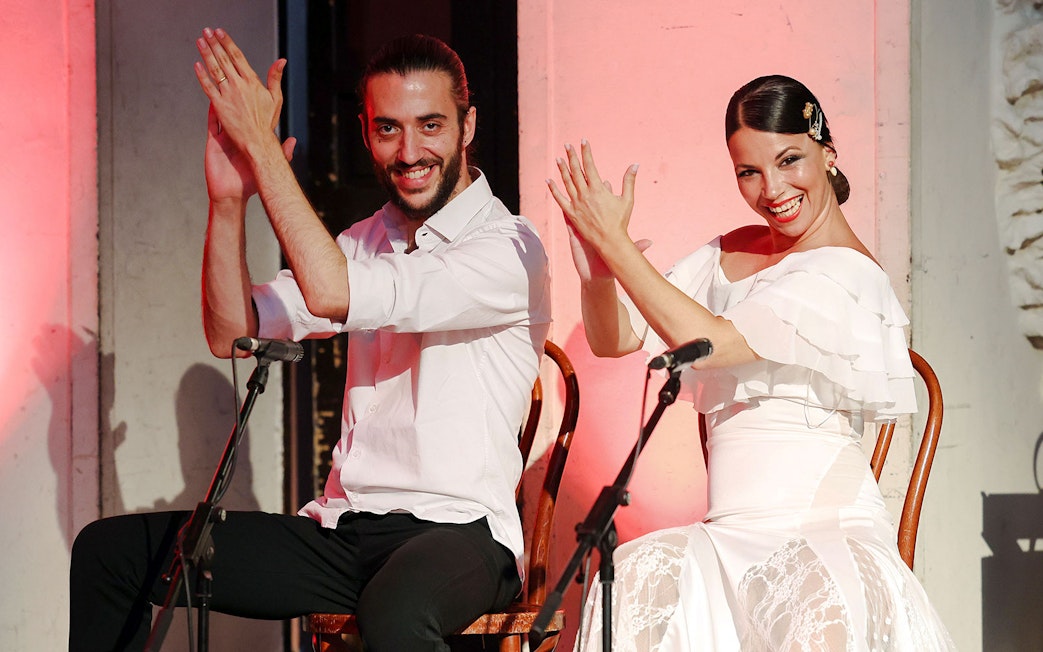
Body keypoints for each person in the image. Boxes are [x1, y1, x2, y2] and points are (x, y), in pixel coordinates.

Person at [69, 29, 550, 652]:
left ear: (468, 124)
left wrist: (263, 149)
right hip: (345, 532)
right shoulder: (360, 242)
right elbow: (230, 331)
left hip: (461, 532)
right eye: (388, 129)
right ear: (365, 132)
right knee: (111, 555)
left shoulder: (510, 247)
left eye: (430, 125)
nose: (409, 151)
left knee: (396, 611)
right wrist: (228, 200)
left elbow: (332, 293)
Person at [548, 75, 955, 651]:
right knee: (636, 576)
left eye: (790, 160)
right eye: (749, 171)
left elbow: (708, 341)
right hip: (729, 534)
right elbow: (616, 339)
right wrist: (598, 272)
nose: (772, 189)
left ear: (827, 153)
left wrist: (617, 244)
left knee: (804, 598)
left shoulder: (848, 271)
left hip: (820, 529)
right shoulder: (730, 249)